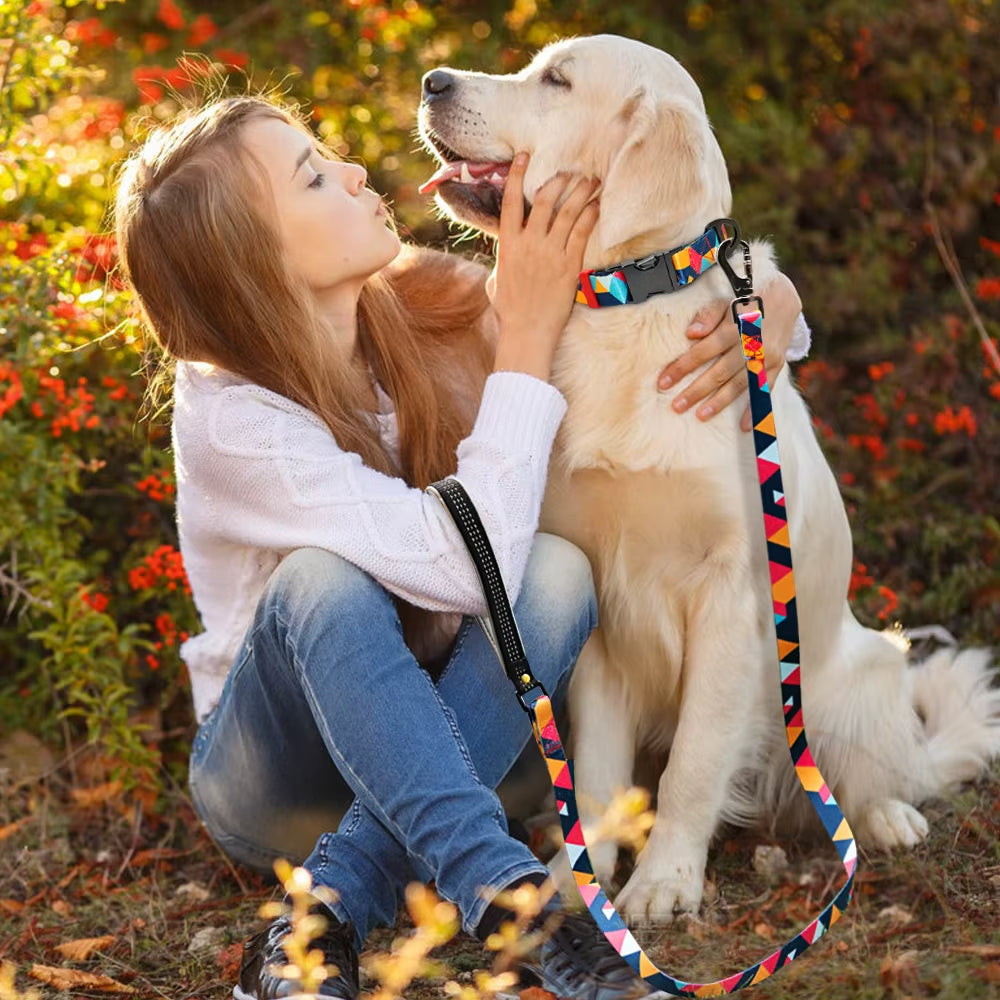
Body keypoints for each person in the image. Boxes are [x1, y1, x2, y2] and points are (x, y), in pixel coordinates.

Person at [114, 94, 807, 1000]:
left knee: (557, 573)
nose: (357, 171)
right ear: (254, 263)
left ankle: (330, 910)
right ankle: (514, 903)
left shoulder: (427, 299)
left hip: (466, 738)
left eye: (329, 152)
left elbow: (639, 327)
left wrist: (767, 300)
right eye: (314, 176)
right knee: (323, 584)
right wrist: (522, 335)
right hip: (280, 774)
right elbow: (458, 564)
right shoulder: (231, 418)